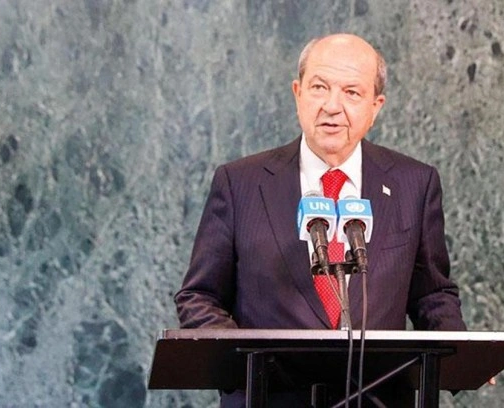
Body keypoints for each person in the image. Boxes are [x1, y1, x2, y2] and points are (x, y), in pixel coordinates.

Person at [174, 33, 466, 407]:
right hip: (268, 399)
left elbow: (431, 293)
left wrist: (462, 355)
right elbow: (200, 296)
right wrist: (238, 363)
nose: (332, 106)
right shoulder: (240, 183)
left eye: (351, 92)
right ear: (297, 93)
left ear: (376, 107)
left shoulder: (414, 184)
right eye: (319, 87)